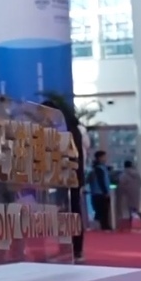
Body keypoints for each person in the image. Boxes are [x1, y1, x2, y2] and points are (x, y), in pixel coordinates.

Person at [41, 99, 86, 262]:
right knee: (65, 213)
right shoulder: (67, 128)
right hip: (64, 178)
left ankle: (75, 249)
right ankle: (69, 248)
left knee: (71, 213)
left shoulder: (66, 130)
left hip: (68, 178)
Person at [117, 160, 141, 229]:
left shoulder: (124, 175)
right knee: (136, 208)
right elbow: (140, 183)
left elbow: (121, 184)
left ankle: (130, 223)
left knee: (129, 210)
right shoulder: (137, 174)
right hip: (136, 193)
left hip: (127, 194)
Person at [90, 151, 113, 231]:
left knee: (102, 211)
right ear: (99, 158)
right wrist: (105, 192)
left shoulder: (101, 168)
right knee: (103, 210)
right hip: (100, 193)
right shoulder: (99, 169)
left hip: (98, 193)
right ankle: (104, 226)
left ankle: (103, 226)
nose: (105, 158)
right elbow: (101, 181)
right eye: (104, 157)